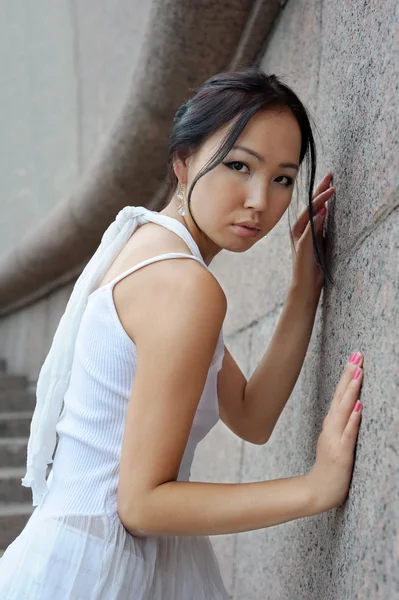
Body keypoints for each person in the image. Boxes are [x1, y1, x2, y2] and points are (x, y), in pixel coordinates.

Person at [0, 67, 364, 599]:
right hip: (97, 571)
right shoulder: (184, 285)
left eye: (283, 178)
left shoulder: (151, 248)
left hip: (87, 551)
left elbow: (250, 415)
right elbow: (142, 504)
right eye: (240, 166)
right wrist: (313, 489)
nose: (261, 200)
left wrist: (304, 290)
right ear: (183, 162)